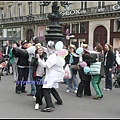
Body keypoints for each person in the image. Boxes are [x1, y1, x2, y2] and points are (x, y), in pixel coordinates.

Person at [39, 40, 64, 112]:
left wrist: (39, 59)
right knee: (52, 88)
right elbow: (46, 50)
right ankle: (59, 100)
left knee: (46, 89)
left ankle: (49, 106)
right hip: (56, 74)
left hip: (52, 75)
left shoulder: (52, 57)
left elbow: (45, 65)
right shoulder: (55, 54)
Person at [31, 44, 46, 110]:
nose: (40, 51)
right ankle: (37, 103)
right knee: (38, 89)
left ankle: (38, 98)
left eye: (41, 50)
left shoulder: (45, 57)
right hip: (37, 75)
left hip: (44, 75)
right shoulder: (34, 58)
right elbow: (32, 65)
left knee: (43, 90)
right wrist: (36, 59)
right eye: (39, 50)